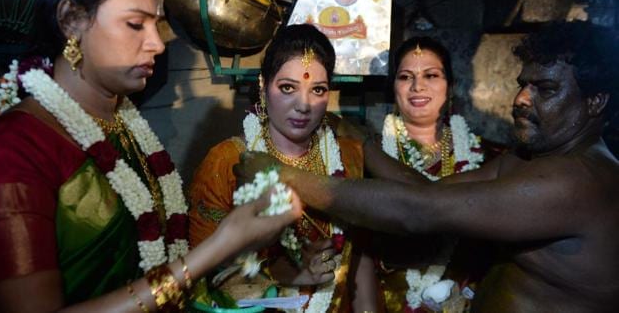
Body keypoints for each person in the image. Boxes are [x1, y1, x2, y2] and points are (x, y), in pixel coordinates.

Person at [236, 21, 619, 312]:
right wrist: (363, 145)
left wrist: (281, 173)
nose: (520, 99)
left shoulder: (579, 180)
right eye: (523, 84)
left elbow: (418, 212)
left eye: (545, 90)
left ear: (595, 102)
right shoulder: (526, 161)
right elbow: (428, 193)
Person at [0, 0, 300, 312]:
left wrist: (237, 240)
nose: (157, 44)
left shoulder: (122, 123)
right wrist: (220, 246)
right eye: (135, 24)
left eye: (158, 24)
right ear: (71, 20)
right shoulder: (13, 149)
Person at [188, 24, 366, 312]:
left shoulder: (347, 155)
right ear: (262, 84)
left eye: (318, 90)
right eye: (287, 88)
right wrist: (278, 271)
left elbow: (361, 259)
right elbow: (202, 271)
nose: (303, 105)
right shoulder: (227, 161)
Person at [364, 36, 492, 313]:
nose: (417, 86)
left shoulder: (485, 158)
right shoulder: (367, 155)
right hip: (381, 298)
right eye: (405, 76)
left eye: (431, 75)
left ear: (451, 86)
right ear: (394, 89)